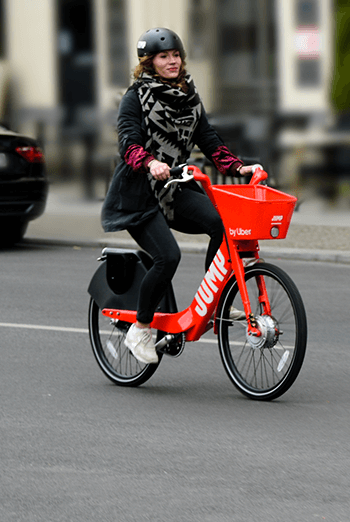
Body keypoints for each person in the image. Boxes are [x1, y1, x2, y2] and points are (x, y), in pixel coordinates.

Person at [101, 27, 261, 365]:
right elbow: (128, 142)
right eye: (164, 56)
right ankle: (141, 328)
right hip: (139, 193)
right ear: (149, 62)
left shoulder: (189, 96)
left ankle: (214, 299)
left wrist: (239, 168)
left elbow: (209, 140)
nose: (172, 61)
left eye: (175, 55)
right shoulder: (136, 97)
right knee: (167, 257)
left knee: (222, 225)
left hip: (176, 188)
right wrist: (149, 162)